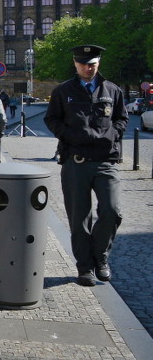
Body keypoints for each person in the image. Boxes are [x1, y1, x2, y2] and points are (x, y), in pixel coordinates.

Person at [44, 45, 128, 287]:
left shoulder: (111, 90)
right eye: (83, 63)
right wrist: (68, 135)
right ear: (75, 63)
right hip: (76, 162)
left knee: (112, 212)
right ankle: (84, 267)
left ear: (98, 63)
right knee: (79, 219)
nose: (87, 67)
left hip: (105, 161)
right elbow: (52, 119)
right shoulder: (63, 91)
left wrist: (113, 134)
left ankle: (101, 258)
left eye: (91, 63)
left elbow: (122, 118)